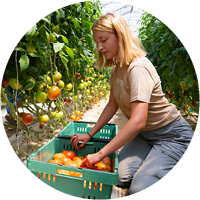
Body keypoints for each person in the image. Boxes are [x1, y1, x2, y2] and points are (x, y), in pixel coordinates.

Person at [70, 13, 194, 195]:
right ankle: (154, 162)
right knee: (119, 177)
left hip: (171, 135)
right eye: (97, 42)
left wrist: (99, 154)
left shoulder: (138, 68)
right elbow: (112, 105)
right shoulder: (116, 67)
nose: (99, 47)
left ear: (120, 35)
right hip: (145, 135)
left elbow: (137, 121)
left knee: (138, 189)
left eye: (103, 40)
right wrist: (89, 134)